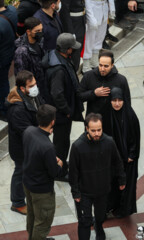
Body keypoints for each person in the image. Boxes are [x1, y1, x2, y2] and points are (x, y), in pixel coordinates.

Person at [69, 113, 126, 240]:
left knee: (100, 217)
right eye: (93, 130)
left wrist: (122, 178)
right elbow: (73, 172)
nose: (97, 133)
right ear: (86, 129)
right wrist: (75, 193)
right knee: (84, 221)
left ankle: (98, 227)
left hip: (103, 190)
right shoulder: (77, 146)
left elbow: (117, 161)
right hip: (84, 193)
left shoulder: (109, 142)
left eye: (99, 130)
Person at [42, 33, 84, 180]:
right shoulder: (58, 70)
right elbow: (57, 94)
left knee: (62, 141)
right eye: (72, 48)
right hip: (60, 114)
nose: (74, 51)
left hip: (60, 111)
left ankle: (60, 162)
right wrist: (66, 111)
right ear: (67, 50)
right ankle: (59, 172)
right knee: (61, 142)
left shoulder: (57, 57)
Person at [22, 104, 63, 240]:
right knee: (43, 222)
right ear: (52, 122)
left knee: (32, 215)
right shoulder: (47, 147)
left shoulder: (28, 131)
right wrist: (59, 164)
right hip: (42, 190)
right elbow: (54, 173)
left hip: (28, 183)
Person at [6, 70, 44, 215]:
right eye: (31, 86)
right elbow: (27, 132)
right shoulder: (17, 109)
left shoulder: (30, 96)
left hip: (28, 145)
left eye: (35, 84)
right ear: (22, 88)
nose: (35, 87)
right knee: (20, 172)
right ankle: (17, 202)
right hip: (21, 148)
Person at [105, 87, 140, 218]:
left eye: (120, 100)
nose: (117, 103)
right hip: (112, 159)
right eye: (114, 100)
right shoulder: (107, 115)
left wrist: (132, 154)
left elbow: (135, 138)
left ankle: (125, 209)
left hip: (128, 160)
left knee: (127, 185)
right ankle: (110, 206)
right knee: (112, 184)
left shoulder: (130, 116)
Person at [79, 49, 131, 133]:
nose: (102, 69)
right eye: (100, 65)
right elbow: (79, 96)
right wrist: (94, 93)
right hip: (93, 123)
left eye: (106, 66)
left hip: (113, 124)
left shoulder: (121, 80)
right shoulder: (88, 76)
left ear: (112, 65)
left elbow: (127, 103)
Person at [0, 0, 18, 121]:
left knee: (2, 86)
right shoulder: (12, 10)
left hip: (1, 59)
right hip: (10, 52)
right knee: (4, 83)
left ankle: (5, 110)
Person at [14, 17, 48, 101]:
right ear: (28, 31)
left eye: (41, 30)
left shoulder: (40, 40)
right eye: (37, 31)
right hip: (33, 87)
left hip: (44, 82)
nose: (40, 33)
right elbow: (21, 75)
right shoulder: (21, 52)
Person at [82, 0, 115, 72]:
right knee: (89, 39)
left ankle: (94, 61)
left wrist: (112, 8)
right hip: (92, 8)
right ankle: (86, 65)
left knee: (100, 37)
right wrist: (90, 17)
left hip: (104, 7)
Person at [59, 0, 86, 71]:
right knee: (75, 53)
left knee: (78, 50)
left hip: (81, 22)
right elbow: (64, 12)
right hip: (73, 24)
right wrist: (70, 31)